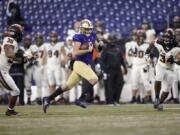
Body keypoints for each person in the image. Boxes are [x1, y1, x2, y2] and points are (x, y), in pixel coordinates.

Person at [42, 19, 99, 113]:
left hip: (85, 64)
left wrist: (100, 45)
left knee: (66, 86)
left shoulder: (92, 36)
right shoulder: (78, 37)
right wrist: (87, 50)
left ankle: (48, 99)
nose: (89, 31)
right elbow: (75, 53)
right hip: (79, 63)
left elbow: (97, 48)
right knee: (94, 79)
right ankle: (81, 99)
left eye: (90, 29)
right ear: (82, 29)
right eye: (86, 29)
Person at [146, 29, 180, 111]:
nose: (166, 39)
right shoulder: (159, 42)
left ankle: (160, 102)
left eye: (168, 37)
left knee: (167, 89)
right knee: (158, 77)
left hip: (171, 69)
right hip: (160, 66)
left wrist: (175, 61)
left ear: (172, 38)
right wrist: (147, 54)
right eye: (165, 37)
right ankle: (157, 98)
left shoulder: (177, 46)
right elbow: (151, 44)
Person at [0, 24, 23, 116]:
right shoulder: (10, 40)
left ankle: (10, 110)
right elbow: (9, 54)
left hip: (3, 70)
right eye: (20, 31)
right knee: (16, 91)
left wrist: (23, 58)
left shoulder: (10, 40)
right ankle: (10, 110)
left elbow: (10, 58)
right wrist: (21, 56)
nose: (21, 33)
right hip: (1, 70)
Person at [100, 34, 127, 105]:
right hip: (109, 70)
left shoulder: (118, 48)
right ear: (107, 40)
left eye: (113, 40)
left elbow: (121, 59)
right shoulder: (105, 49)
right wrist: (104, 71)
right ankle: (109, 101)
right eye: (110, 40)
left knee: (120, 84)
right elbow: (102, 61)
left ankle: (116, 100)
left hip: (118, 69)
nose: (111, 41)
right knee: (109, 86)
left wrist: (124, 67)